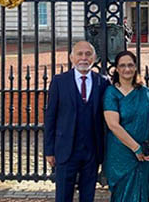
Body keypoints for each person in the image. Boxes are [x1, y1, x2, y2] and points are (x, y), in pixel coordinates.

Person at [44, 41, 110, 202]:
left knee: (88, 195)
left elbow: (107, 119)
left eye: (88, 54)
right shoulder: (59, 81)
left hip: (92, 150)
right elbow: (50, 117)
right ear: (71, 57)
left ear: (94, 58)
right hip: (66, 149)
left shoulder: (103, 82)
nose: (83, 58)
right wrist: (49, 150)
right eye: (79, 54)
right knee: (63, 195)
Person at [103, 50, 149, 202]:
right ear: (116, 68)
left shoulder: (145, 93)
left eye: (130, 65)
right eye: (122, 65)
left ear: (135, 67)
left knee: (142, 194)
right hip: (121, 153)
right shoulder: (111, 93)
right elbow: (113, 125)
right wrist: (136, 148)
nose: (126, 69)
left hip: (143, 153)